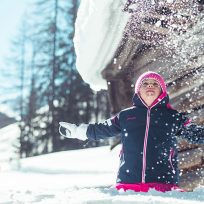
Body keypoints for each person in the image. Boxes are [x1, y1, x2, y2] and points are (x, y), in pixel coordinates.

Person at [59, 71, 204, 192]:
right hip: (128, 183)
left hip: (164, 183)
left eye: (155, 84)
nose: (150, 86)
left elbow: (196, 133)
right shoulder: (126, 116)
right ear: (138, 90)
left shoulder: (172, 116)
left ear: (162, 90)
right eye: (145, 84)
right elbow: (102, 128)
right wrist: (78, 131)